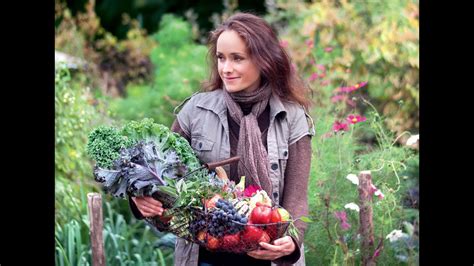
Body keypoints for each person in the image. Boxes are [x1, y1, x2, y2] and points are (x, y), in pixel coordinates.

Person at [129, 12, 314, 266]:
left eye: (237, 58)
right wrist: (140, 197)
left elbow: (297, 198)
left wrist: (291, 241)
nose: (226, 68)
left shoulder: (291, 116)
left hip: (269, 255)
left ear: (263, 60)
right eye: (221, 58)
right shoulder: (196, 111)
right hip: (206, 256)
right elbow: (160, 171)